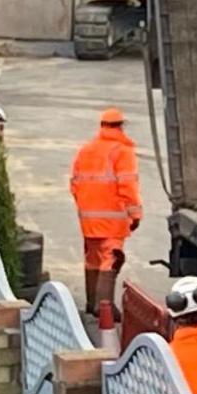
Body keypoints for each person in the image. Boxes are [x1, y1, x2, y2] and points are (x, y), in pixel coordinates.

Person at [70, 108, 142, 334]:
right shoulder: (123, 152)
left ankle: (92, 304)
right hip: (113, 220)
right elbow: (128, 186)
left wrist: (86, 206)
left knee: (92, 259)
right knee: (110, 258)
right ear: (120, 126)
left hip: (88, 219)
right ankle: (105, 307)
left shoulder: (85, 150)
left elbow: (74, 184)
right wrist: (135, 214)